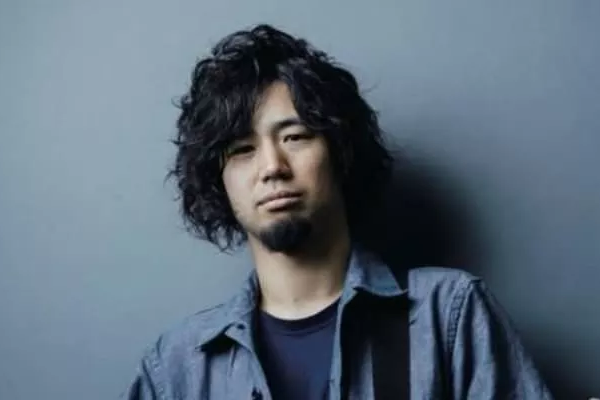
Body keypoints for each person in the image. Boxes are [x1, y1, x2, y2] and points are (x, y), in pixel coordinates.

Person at [123, 24, 553, 400]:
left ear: (340, 152)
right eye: (242, 149)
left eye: (294, 136)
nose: (272, 166)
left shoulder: (449, 315)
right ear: (219, 180)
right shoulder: (177, 366)